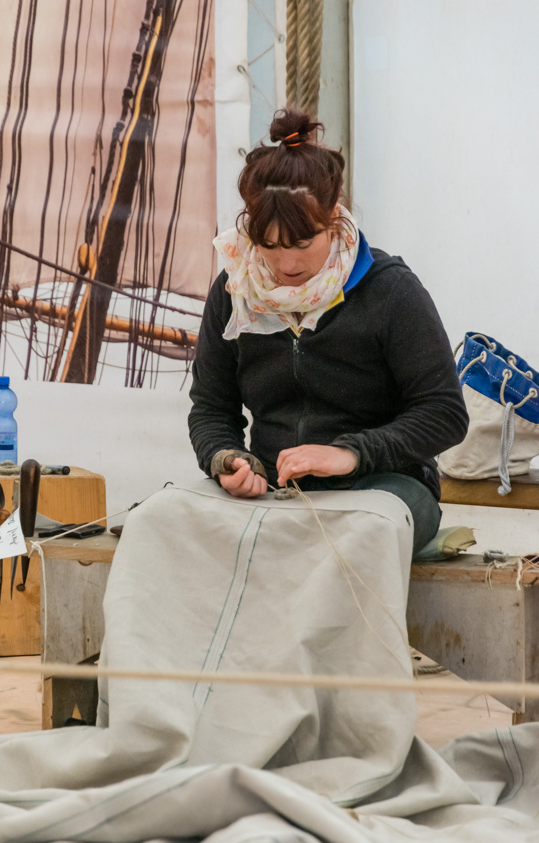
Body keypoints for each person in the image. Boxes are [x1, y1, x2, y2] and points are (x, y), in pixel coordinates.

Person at [188, 109, 468, 555]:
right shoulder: (233, 291)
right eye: (269, 247)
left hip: (385, 485)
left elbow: (445, 413)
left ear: (334, 220)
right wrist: (228, 460)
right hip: (275, 492)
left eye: (302, 244)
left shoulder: (390, 289)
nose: (287, 265)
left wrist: (349, 454)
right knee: (161, 520)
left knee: (346, 542)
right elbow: (210, 409)